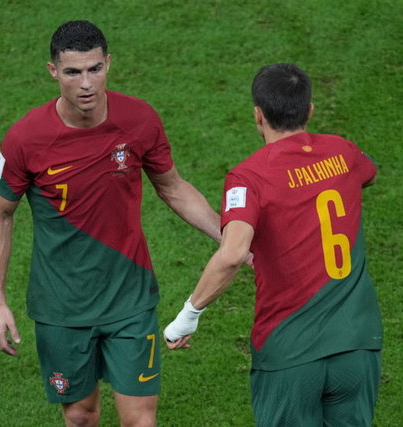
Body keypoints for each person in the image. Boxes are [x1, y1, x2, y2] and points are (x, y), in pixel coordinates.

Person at [0, 20, 221, 427]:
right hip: (61, 305)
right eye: (73, 72)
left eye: (94, 69)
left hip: (129, 297)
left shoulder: (139, 120)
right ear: (53, 71)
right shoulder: (26, 139)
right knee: (81, 416)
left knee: (140, 421)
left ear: (108, 63)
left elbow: (173, 187)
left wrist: (228, 236)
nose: (86, 83)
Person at [164, 63, 383, 426]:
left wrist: (188, 316)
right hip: (357, 341)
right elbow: (368, 173)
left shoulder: (248, 177)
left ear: (258, 115)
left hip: (291, 348)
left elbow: (233, 254)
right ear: (309, 110)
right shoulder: (343, 152)